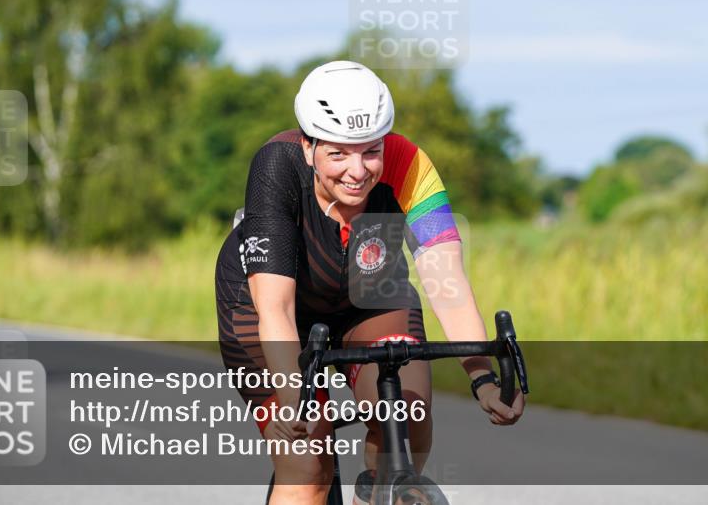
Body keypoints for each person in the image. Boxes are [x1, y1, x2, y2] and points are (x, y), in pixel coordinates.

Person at [215, 60, 524, 505]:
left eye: (371, 151)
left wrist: (483, 378)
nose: (357, 171)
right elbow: (277, 309)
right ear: (308, 146)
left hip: (366, 289)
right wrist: (290, 395)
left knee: (408, 416)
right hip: (265, 301)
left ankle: (376, 493)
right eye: (337, 153)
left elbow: (445, 279)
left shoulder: (411, 164)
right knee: (307, 462)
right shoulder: (276, 166)